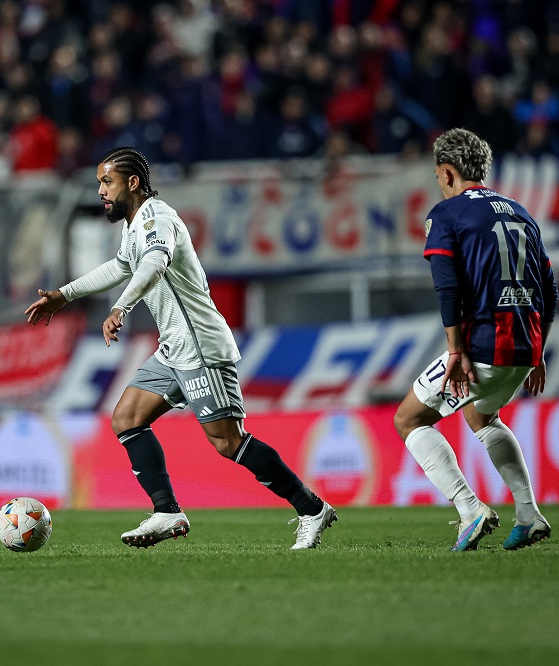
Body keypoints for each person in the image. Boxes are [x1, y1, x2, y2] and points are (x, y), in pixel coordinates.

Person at [25, 146, 336, 549]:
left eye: (107, 182)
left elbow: (154, 263)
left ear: (132, 183)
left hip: (200, 345)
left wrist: (121, 306)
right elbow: (122, 266)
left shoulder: (158, 219)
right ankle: (167, 511)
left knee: (228, 441)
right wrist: (65, 294)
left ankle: (311, 509)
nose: (100, 191)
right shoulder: (134, 225)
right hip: (174, 347)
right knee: (127, 418)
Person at [393, 128, 557, 552]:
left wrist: (455, 349)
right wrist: (538, 352)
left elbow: (446, 284)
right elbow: (550, 290)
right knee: (483, 417)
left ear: (447, 173)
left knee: (409, 419)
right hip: (526, 345)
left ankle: (470, 509)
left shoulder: (448, 215)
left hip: (483, 343)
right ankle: (529, 515)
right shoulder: (522, 213)